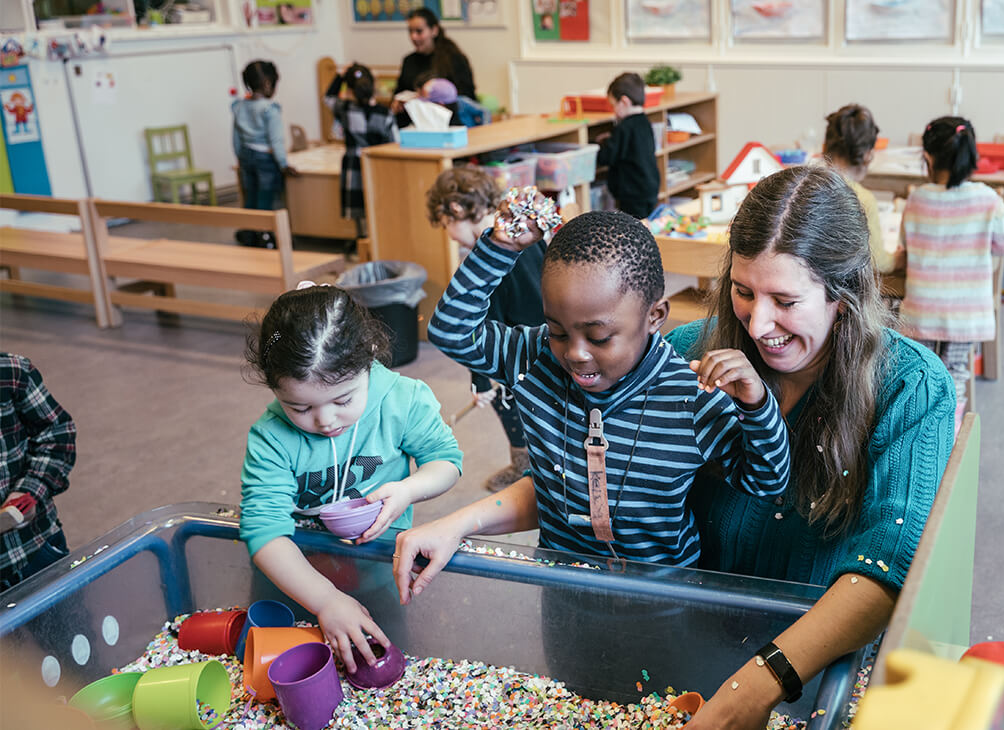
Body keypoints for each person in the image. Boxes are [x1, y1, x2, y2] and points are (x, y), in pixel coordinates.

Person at [664, 166, 956, 729]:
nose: (758, 324)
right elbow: (593, 456)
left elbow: (890, 563)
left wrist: (757, 684)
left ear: (842, 297)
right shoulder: (686, 352)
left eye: (786, 300)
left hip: (820, 662)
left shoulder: (911, 386)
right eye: (744, 292)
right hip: (689, 641)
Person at [397, 208, 792, 600]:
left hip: (665, 597)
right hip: (561, 586)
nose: (575, 354)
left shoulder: (691, 396)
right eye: (557, 331)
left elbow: (767, 482)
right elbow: (450, 330)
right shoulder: (534, 358)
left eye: (599, 337)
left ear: (655, 316)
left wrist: (756, 405)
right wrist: (500, 247)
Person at [239, 284, 463, 672]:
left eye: (343, 400)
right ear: (274, 385)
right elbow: (265, 532)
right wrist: (325, 600)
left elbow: (445, 461)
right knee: (290, 671)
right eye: (299, 406)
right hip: (294, 578)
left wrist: (408, 490)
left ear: (369, 358)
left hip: (377, 569)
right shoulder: (271, 436)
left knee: (383, 662)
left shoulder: (403, 400)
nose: (325, 421)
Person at [424, 168, 544, 491]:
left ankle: (524, 469)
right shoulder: (523, 232)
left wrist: (480, 379)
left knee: (507, 404)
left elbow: (485, 320)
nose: (449, 235)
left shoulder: (492, 252)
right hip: (546, 333)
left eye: (447, 225)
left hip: (517, 344)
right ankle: (528, 468)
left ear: (456, 210)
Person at [901, 116, 1004, 425]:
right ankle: (947, 436)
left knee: (919, 373)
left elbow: (904, 244)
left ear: (927, 157)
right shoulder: (989, 199)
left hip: (922, 310)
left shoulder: (916, 199)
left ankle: (917, 428)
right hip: (966, 313)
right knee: (956, 376)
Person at [0, 354, 75, 592]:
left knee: (69, 625)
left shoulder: (11, 372)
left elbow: (57, 433)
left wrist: (30, 489)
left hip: (35, 547)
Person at [324, 64, 398, 237]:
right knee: (379, 209)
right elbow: (395, 142)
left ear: (350, 90)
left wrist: (339, 76)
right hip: (378, 166)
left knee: (360, 214)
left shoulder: (346, 109)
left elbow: (328, 98)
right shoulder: (385, 113)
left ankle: (362, 245)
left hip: (353, 166)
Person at [822, 103, 897, 274]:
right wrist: (898, 260)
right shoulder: (863, 199)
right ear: (867, 155)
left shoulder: (808, 186)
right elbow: (878, 263)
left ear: (824, 147)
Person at [232, 60, 295, 248]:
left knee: (251, 196)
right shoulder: (270, 109)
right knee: (265, 198)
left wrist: (240, 158)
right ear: (268, 84)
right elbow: (276, 140)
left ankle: (250, 232)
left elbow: (235, 138)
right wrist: (283, 163)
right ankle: (265, 236)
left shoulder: (240, 106)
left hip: (246, 157)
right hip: (266, 160)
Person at [393, 7, 476, 127]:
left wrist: (431, 100)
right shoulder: (408, 61)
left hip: (449, 124)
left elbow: (466, 97)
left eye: (419, 31)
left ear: (434, 30)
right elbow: (400, 91)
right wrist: (398, 103)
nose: (413, 37)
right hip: (416, 124)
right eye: (410, 31)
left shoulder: (454, 59)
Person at [595, 73, 661, 219]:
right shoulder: (644, 122)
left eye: (613, 105)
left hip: (632, 192)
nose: (614, 111)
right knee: (644, 224)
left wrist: (597, 146)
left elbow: (607, 156)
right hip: (648, 187)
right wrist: (611, 138)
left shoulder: (624, 128)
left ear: (624, 101)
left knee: (632, 225)